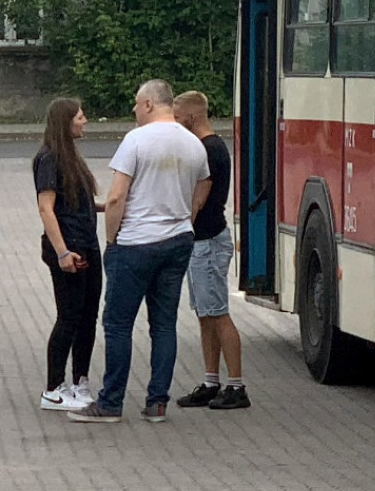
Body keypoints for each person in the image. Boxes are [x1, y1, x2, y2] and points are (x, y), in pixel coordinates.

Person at [69, 79, 210, 425]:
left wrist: (112, 239)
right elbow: (205, 182)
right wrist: (186, 217)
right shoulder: (193, 143)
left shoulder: (136, 140)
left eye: (136, 103)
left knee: (118, 324)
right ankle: (157, 402)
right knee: (163, 325)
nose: (133, 110)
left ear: (149, 103)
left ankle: (111, 402)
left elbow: (116, 197)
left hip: (136, 243)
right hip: (177, 240)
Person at [171, 90, 249, 411]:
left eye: (177, 118)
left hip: (209, 242)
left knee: (217, 313)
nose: (175, 124)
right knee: (205, 313)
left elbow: (199, 198)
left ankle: (236, 385)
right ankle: (210, 380)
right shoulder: (205, 147)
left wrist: (179, 229)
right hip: (201, 242)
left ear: (192, 117)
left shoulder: (209, 150)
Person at [34, 98, 101, 412]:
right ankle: (53, 388)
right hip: (68, 247)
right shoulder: (48, 159)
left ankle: (80, 381)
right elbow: (47, 209)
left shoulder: (73, 158)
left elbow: (78, 202)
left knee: (88, 315)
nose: (84, 121)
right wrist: (62, 252)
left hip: (88, 243)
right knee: (69, 316)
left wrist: (111, 206)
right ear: (65, 122)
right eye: (80, 116)